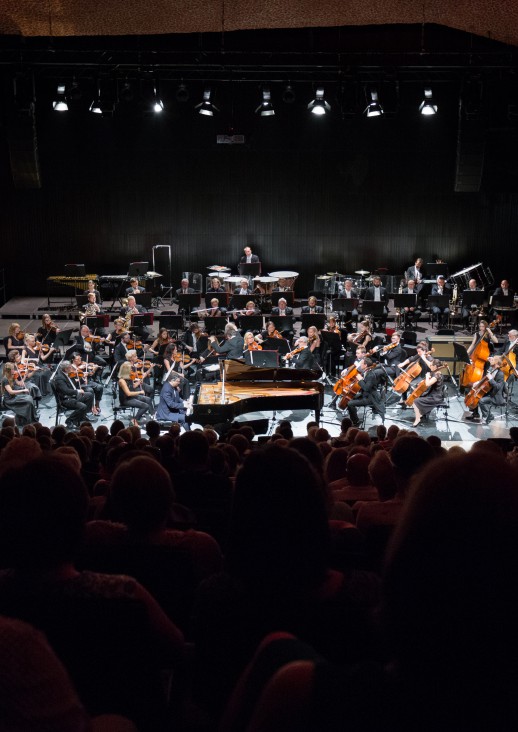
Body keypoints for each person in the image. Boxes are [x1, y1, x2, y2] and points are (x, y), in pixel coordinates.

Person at [53, 360, 95, 428]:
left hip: (72, 396)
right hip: (66, 399)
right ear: (66, 369)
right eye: (70, 367)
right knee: (83, 406)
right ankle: (70, 420)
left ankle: (83, 416)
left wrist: (79, 379)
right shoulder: (59, 378)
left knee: (90, 395)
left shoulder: (67, 374)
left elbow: (72, 384)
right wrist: (77, 391)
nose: (72, 369)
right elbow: (66, 391)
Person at [466, 354, 506, 424]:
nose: (491, 360)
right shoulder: (491, 369)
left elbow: (498, 387)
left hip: (495, 396)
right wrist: (477, 383)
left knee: (481, 400)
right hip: (489, 392)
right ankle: (475, 414)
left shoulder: (500, 374)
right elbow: (485, 380)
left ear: (496, 363)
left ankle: (488, 415)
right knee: (472, 391)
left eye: (493, 360)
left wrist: (491, 379)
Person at [346, 357, 385, 426]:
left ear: (365, 365)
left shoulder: (371, 375)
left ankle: (356, 422)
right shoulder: (366, 371)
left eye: (361, 364)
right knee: (349, 398)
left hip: (370, 398)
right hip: (365, 394)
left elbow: (366, 388)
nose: (360, 365)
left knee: (350, 403)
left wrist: (360, 380)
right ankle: (353, 417)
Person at [118, 361, 154, 427]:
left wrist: (138, 382)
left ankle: (152, 414)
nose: (132, 371)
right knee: (145, 406)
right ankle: (134, 420)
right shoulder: (122, 381)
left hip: (132, 397)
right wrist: (140, 392)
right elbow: (128, 393)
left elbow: (133, 386)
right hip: (126, 400)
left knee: (148, 399)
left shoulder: (129, 377)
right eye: (131, 369)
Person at [1, 361, 37, 426]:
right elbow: (11, 392)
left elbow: (20, 383)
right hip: (9, 400)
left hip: (13, 396)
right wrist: (23, 390)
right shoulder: (5, 379)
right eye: (12, 369)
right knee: (28, 401)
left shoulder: (12, 376)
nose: (14, 370)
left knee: (29, 397)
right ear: (9, 370)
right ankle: (25, 421)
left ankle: (32, 418)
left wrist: (25, 375)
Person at [411, 358, 445, 427]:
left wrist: (427, 377)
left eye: (431, 365)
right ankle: (422, 414)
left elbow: (427, 384)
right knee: (421, 397)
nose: (430, 366)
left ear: (435, 366)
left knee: (415, 401)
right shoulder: (437, 373)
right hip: (434, 394)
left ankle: (417, 419)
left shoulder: (437, 375)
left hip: (435, 397)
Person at [69, 351, 103, 416]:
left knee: (100, 387)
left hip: (87, 382)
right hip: (79, 384)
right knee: (90, 390)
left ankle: (97, 405)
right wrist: (79, 369)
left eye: (80, 359)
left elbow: (90, 374)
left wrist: (94, 369)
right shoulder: (70, 367)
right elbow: (72, 378)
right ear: (73, 360)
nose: (80, 361)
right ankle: (91, 408)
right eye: (78, 359)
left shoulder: (83, 364)